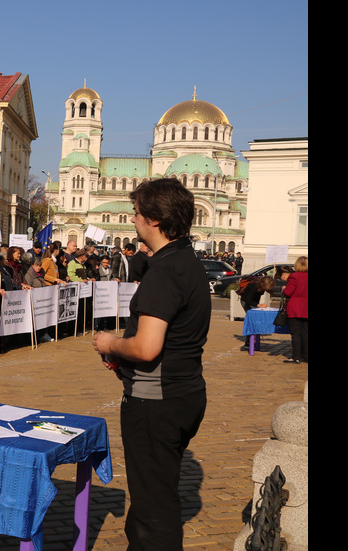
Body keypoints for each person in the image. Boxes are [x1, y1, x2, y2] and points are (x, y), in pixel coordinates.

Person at [92, 178, 210, 551]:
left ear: (155, 219)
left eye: (138, 212)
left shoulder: (165, 270)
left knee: (152, 509)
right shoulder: (185, 260)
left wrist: (111, 342)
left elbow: (145, 347)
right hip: (182, 390)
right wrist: (122, 359)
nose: (134, 218)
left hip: (156, 401)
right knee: (155, 495)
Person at [282, 256, 308, 364]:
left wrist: (284, 289)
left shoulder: (294, 276)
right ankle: (306, 356)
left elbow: (288, 292)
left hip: (295, 308)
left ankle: (296, 357)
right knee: (306, 333)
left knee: (296, 334)